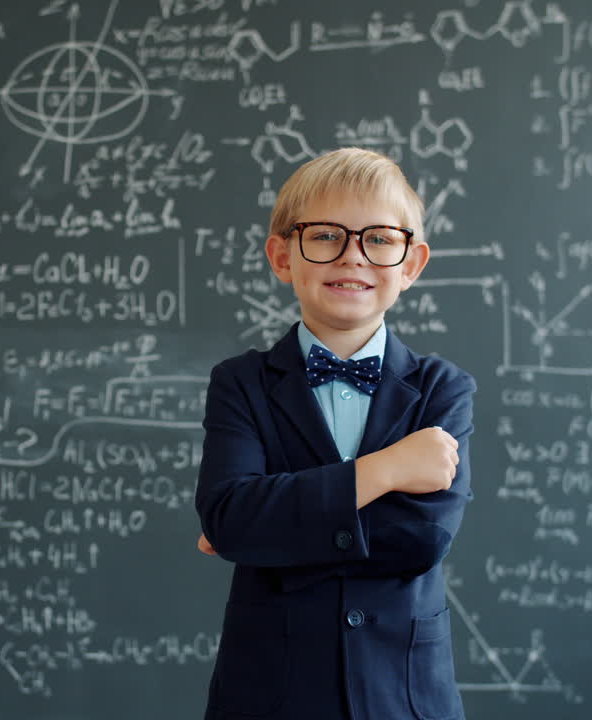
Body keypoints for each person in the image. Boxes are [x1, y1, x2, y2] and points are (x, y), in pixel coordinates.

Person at [194, 147, 476, 720]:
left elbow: (423, 540)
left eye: (378, 239)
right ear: (281, 255)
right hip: (269, 696)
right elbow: (229, 518)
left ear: (411, 263)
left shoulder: (443, 389)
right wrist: (386, 471)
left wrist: (272, 526)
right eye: (324, 236)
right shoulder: (240, 383)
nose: (352, 257)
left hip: (404, 696)